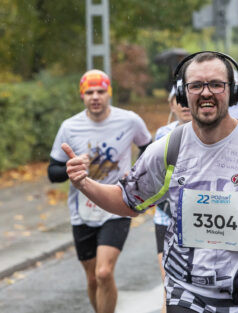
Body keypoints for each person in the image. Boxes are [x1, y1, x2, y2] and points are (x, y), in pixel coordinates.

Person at [60, 51, 238, 313]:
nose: (206, 92)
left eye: (216, 84)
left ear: (233, 91)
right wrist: (84, 183)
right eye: (196, 85)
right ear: (183, 93)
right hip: (188, 295)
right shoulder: (167, 149)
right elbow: (126, 201)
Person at [47, 69, 152, 313]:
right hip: (83, 209)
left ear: (109, 94)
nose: (95, 97)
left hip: (117, 204)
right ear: (82, 96)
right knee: (93, 278)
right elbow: (52, 172)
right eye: (90, 92)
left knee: (104, 273)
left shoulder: (129, 120)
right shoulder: (69, 126)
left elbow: (149, 150)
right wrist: (71, 169)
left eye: (101, 91)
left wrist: (136, 173)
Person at [153, 87, 192, 313]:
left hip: (199, 220)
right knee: (170, 288)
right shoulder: (162, 134)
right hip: (166, 217)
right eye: (180, 100)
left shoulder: (212, 134)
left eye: (188, 99)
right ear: (172, 105)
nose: (185, 104)